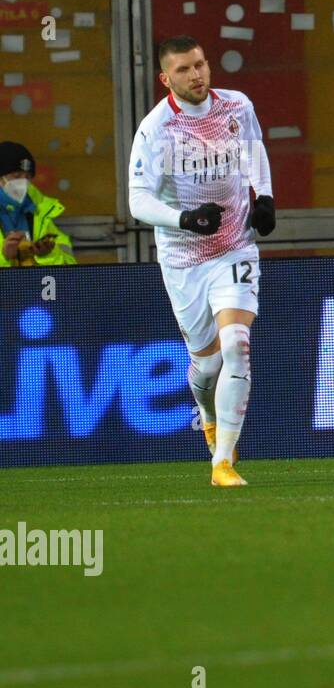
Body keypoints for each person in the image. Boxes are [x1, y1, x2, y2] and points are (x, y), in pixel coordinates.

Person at [128, 35, 276, 487]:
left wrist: (264, 196)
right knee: (207, 365)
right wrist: (185, 219)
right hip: (184, 259)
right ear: (165, 78)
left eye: (200, 65)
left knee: (237, 344)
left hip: (235, 245)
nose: (196, 75)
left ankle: (223, 462)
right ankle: (208, 414)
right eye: (184, 70)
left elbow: (254, 149)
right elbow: (137, 201)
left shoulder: (236, 106)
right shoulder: (156, 129)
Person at [0, 142, 76, 268]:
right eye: (16, 175)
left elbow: (71, 271)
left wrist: (47, 255)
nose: (23, 182)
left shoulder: (41, 213)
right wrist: (5, 256)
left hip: (33, 287)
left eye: (28, 177)